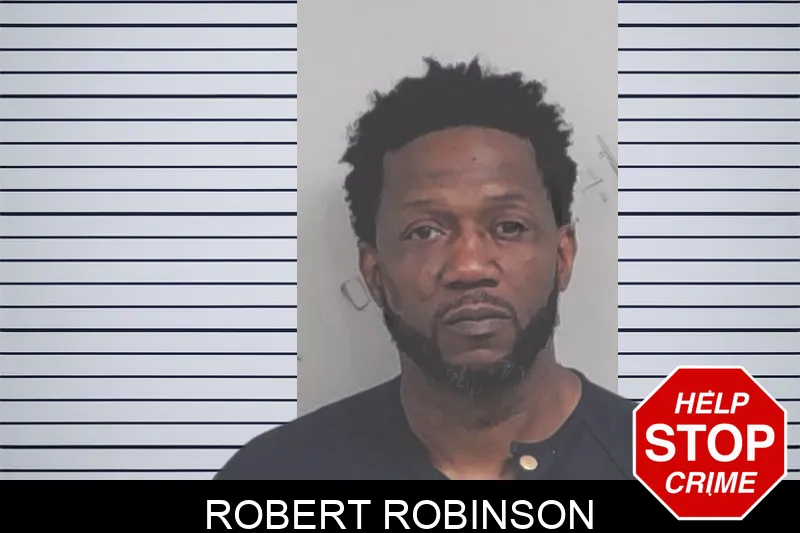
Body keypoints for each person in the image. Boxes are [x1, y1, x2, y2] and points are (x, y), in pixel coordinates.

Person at [215, 57, 634, 480]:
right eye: (425, 232)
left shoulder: (668, 465)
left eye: (509, 227)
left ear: (562, 256)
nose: (469, 267)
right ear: (374, 274)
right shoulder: (276, 474)